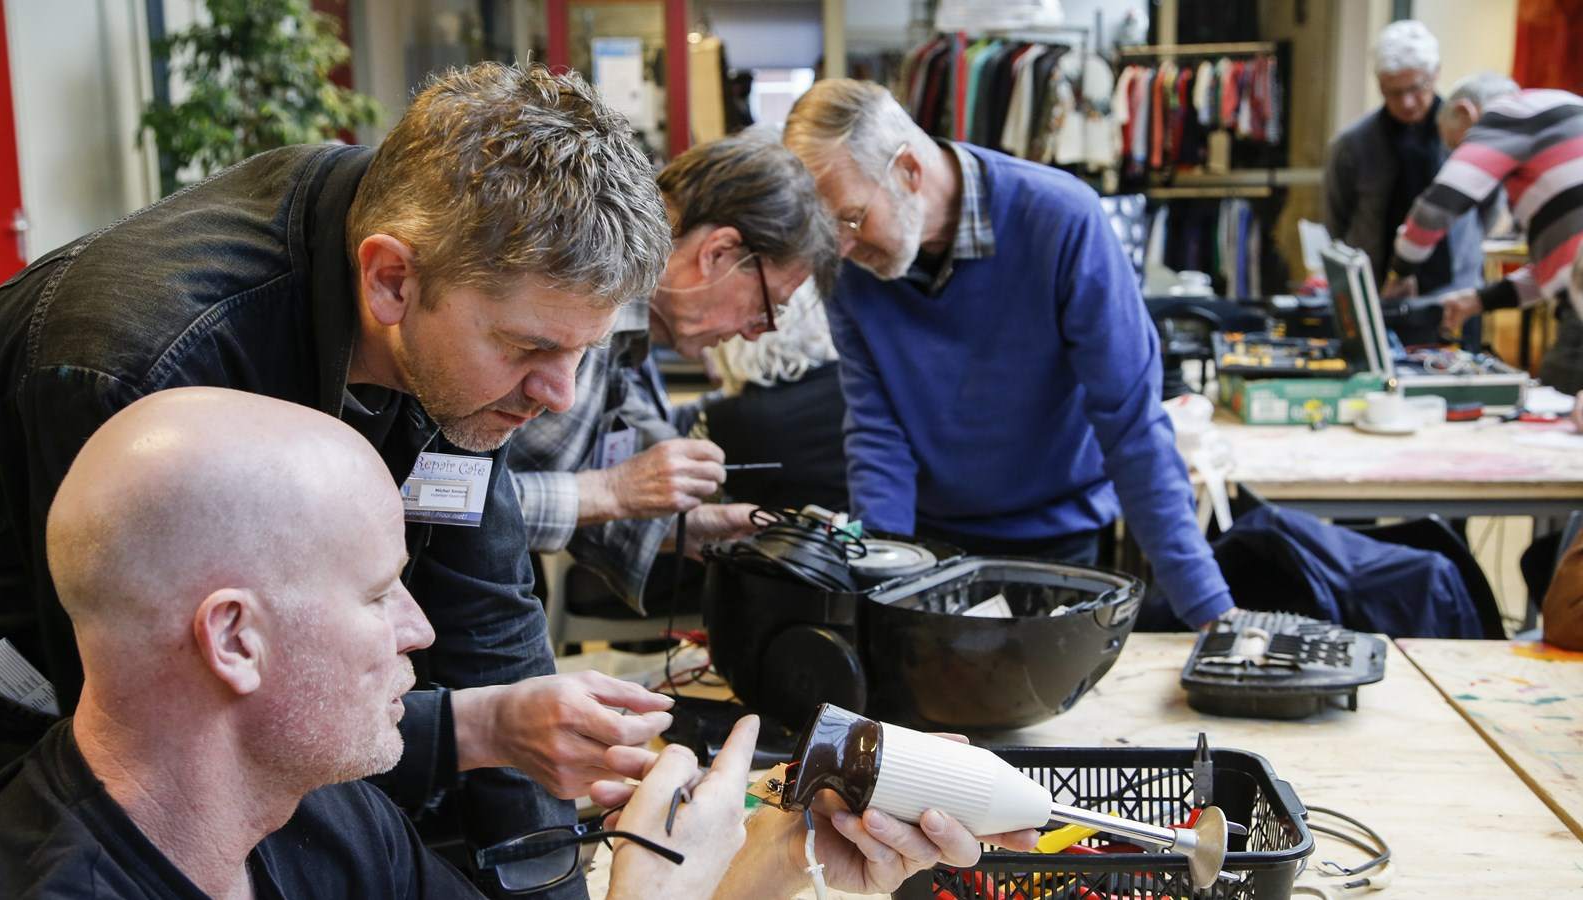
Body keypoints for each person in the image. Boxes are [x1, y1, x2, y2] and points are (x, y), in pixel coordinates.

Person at [0, 62, 675, 897]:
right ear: (391, 280)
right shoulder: (143, 365)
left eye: (580, 353)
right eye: (531, 349)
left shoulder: (453, 301)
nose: (558, 393)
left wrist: (547, 870)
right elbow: (175, 734)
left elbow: (485, 614)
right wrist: (468, 731)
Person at [0, 387, 1035, 899]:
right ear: (235, 639)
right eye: (379, 592)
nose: (421, 630)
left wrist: (786, 857)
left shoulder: (317, 815)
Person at [781, 79, 1236, 628]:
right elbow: (878, 433)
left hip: (1056, 544)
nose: (845, 249)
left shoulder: (1062, 220)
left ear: (908, 170)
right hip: (928, 544)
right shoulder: (852, 266)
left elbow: (1132, 423)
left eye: (851, 219)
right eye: (828, 237)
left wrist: (1209, 610)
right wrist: (884, 577)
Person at [505, 128, 838, 610]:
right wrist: (611, 491)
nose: (758, 333)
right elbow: (426, 492)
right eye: (768, 306)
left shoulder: (627, 338)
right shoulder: (567, 298)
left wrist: (692, 529)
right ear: (718, 254)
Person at [1383, 76, 1583, 393]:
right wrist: (1478, 300)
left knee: (1558, 405)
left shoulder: (1509, 114)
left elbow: (1435, 210)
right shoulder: (1562, 111)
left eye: (1459, 146)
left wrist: (1401, 272)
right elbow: (1559, 272)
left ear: (1465, 113)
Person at [1325, 20, 1487, 299]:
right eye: (1394, 92)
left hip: (1457, 291)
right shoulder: (1352, 145)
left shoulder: (1469, 135)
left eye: (1416, 88)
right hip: (1377, 294)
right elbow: (1336, 221)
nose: (1407, 102)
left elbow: (1486, 205)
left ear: (1435, 75)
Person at [702, 279, 851, 512]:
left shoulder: (724, 419)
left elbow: (700, 507)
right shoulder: (859, 392)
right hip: (873, 539)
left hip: (772, 543)